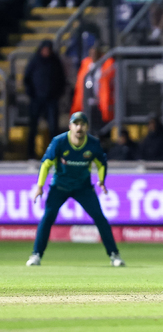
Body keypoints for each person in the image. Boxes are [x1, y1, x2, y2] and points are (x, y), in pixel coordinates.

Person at [26, 112, 125, 267]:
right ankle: (36, 255)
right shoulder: (59, 142)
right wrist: (39, 186)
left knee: (100, 218)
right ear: (70, 126)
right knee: (47, 217)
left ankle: (114, 255)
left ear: (86, 127)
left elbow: (101, 163)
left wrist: (101, 180)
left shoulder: (92, 144)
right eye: (76, 124)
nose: (79, 127)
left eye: (82, 124)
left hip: (83, 188)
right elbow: (46, 163)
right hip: (60, 187)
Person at [24, 40, 66, 159]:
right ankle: (30, 153)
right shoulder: (35, 61)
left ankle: (56, 153)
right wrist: (31, 94)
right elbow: (27, 79)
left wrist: (58, 94)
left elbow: (62, 80)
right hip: (36, 100)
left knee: (53, 128)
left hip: (51, 100)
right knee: (33, 127)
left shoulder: (55, 62)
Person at [70, 45, 115, 124]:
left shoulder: (106, 64)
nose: (93, 55)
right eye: (91, 53)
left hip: (100, 101)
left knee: (101, 124)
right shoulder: (86, 64)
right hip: (87, 101)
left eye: (95, 53)